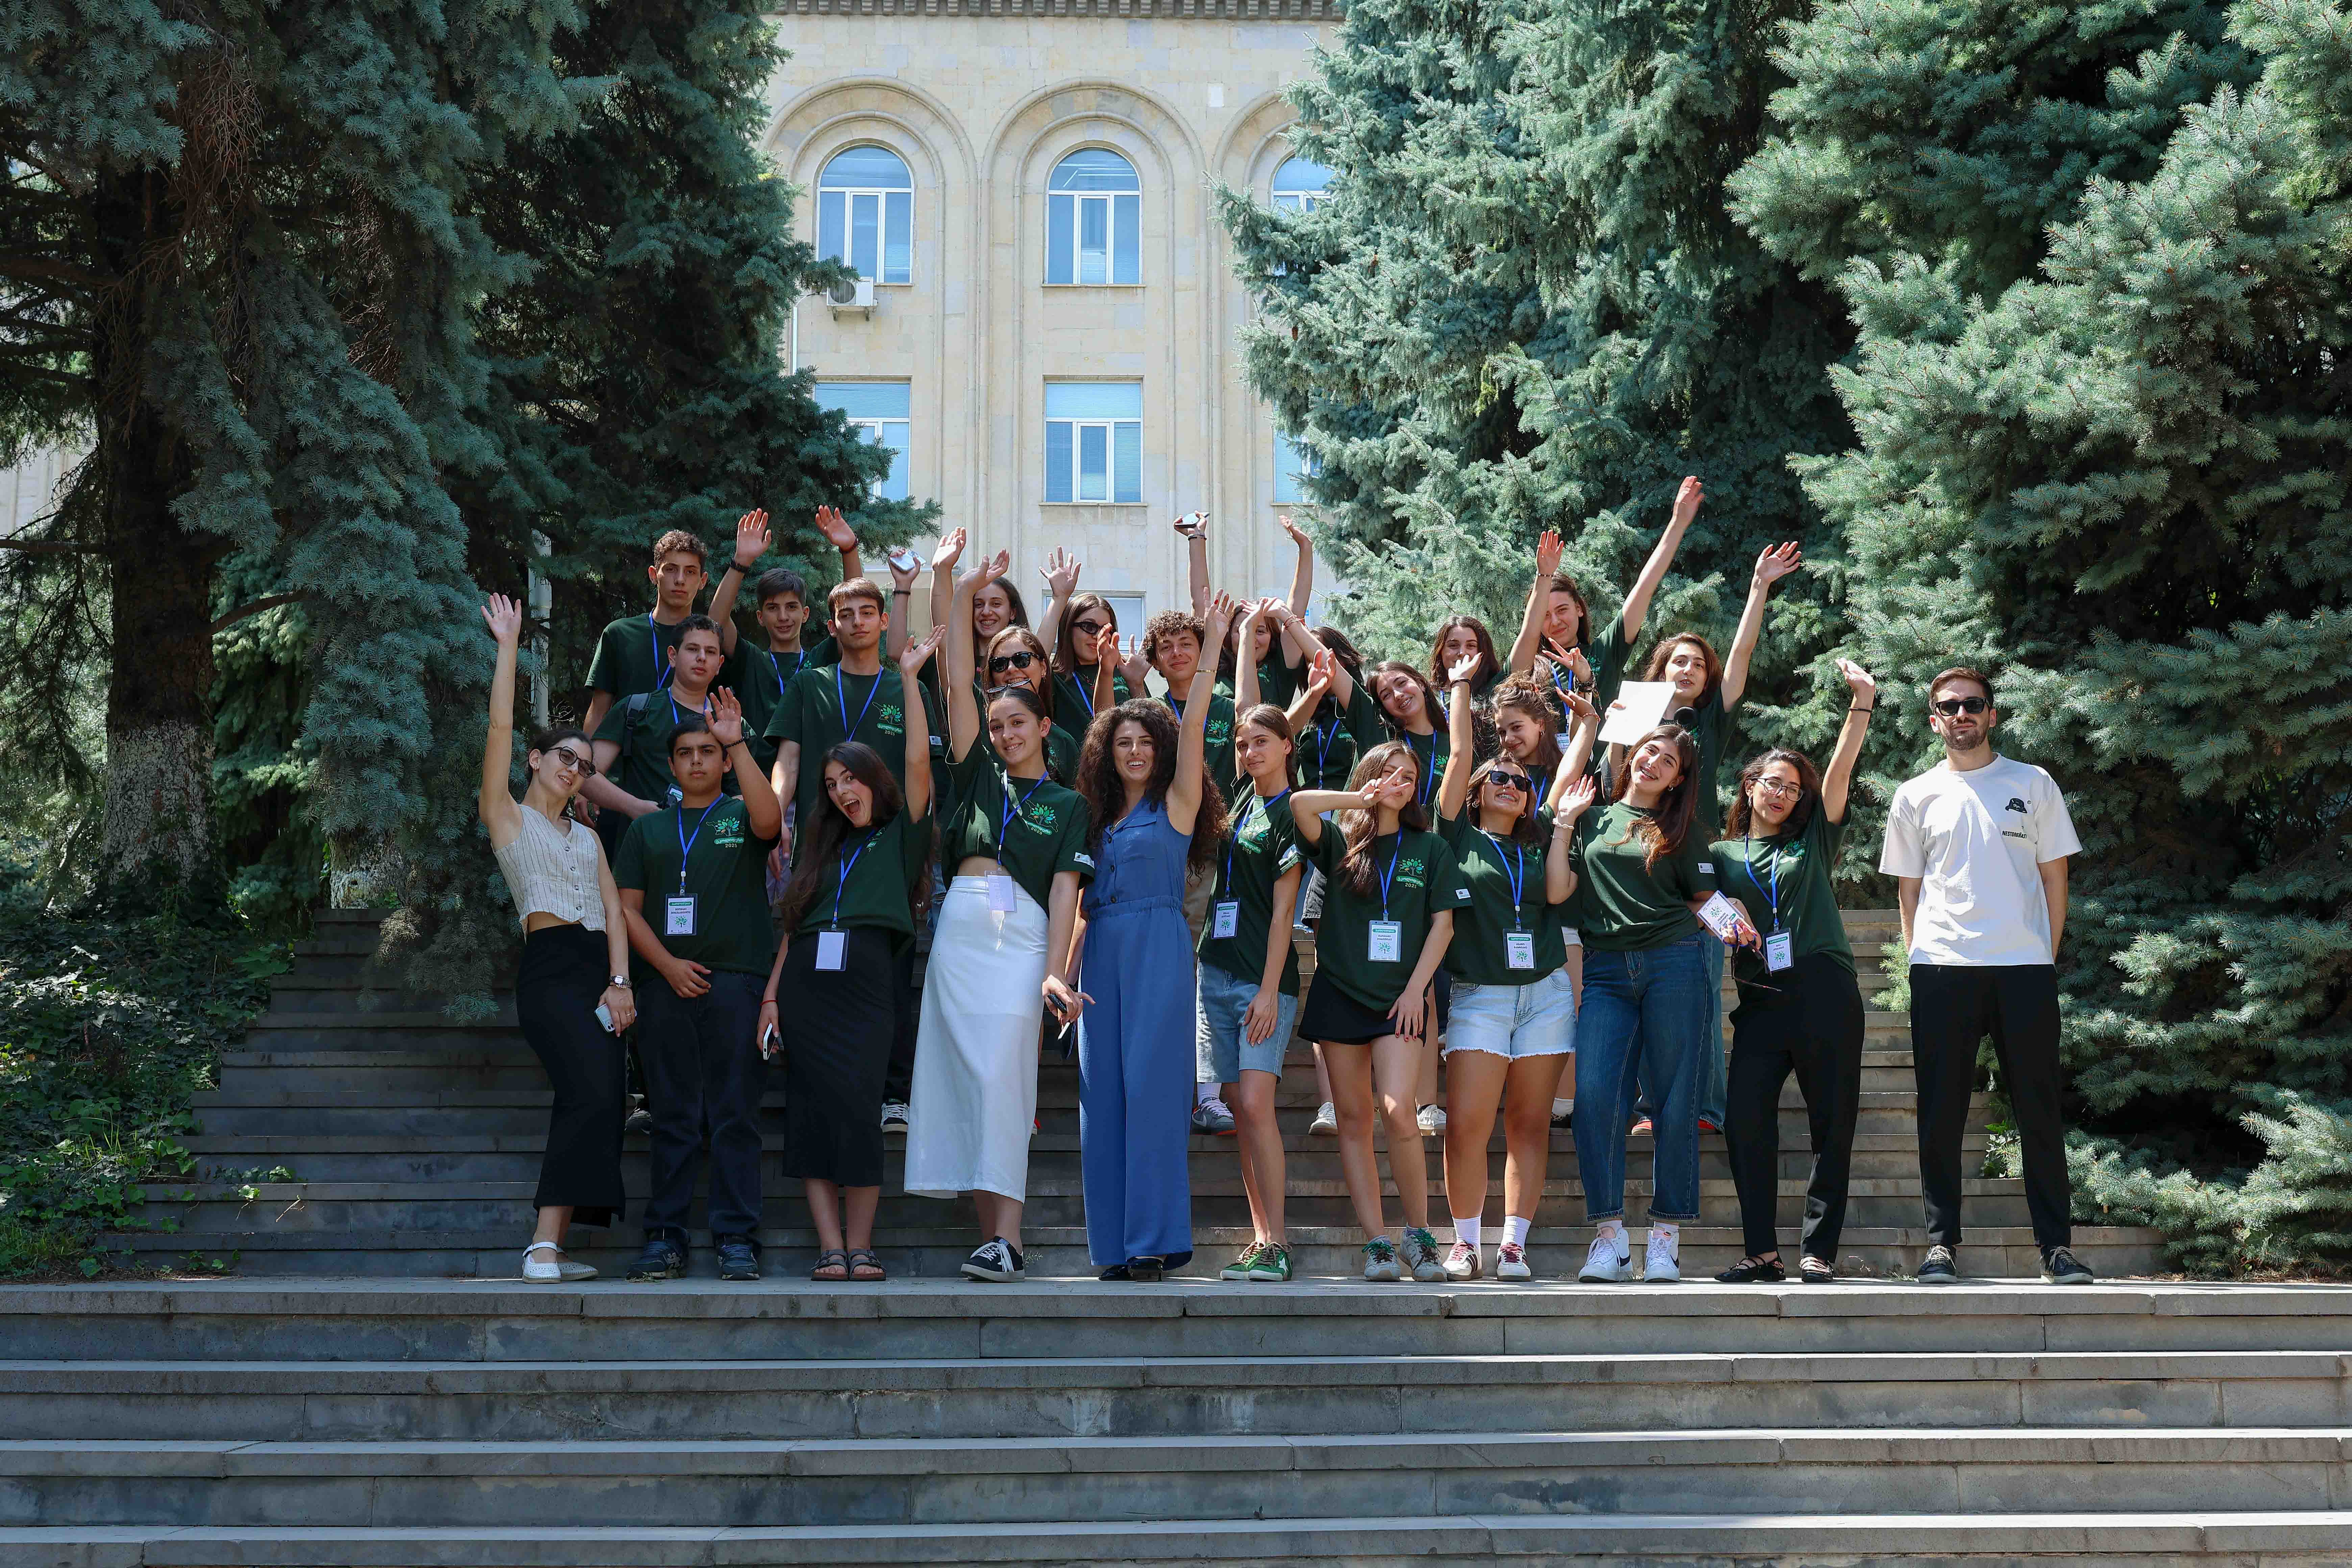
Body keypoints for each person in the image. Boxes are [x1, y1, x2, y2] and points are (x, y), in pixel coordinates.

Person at [907, 551, 1095, 1284]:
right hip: (960, 929)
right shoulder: (976, 772)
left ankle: (1008, 1239)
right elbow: (957, 677)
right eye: (998, 724)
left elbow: (1066, 892)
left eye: (1019, 723)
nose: (1007, 733)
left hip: (1023, 938)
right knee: (963, 1075)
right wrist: (955, 585)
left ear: (1045, 725)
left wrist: (1055, 971)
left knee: (1005, 1080)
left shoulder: (1068, 804)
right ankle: (993, 1241)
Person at [1880, 666, 2090, 1286]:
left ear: (1992, 715)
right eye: (1950, 707)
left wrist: (2044, 954)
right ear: (1934, 720)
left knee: (2039, 1111)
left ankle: (2056, 1249)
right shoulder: (1915, 794)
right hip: (1943, 969)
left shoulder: (2033, 782)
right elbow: (1908, 889)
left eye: (1973, 704)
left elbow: (2055, 877)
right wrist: (1920, 957)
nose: (1962, 714)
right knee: (1940, 1114)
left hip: (2024, 969)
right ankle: (1941, 1245)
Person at [758, 630, 944, 1283]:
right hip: (807, 983)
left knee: (860, 1112)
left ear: (873, 780)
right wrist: (772, 997)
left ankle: (861, 1246)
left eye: (851, 780)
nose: (841, 792)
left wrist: (912, 681)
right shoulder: (822, 848)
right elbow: (794, 928)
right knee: (809, 1112)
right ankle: (830, 1247)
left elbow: (918, 762)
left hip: (868, 979)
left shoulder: (902, 834)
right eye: (833, 783)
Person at [1070, 595, 1234, 1280]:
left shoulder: (1178, 804)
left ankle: (1151, 1242)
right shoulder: (1095, 817)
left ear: (1160, 750)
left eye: (1145, 741)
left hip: (1160, 949)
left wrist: (1215, 641)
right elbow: (1078, 902)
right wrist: (1064, 973)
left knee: (1153, 1094)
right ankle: (1112, 1248)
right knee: (1102, 1100)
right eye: (1123, 743)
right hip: (1099, 954)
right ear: (1107, 754)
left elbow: (1193, 727)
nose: (1135, 750)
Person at [477, 595, 634, 1283]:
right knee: (585, 1094)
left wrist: (621, 984)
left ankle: (555, 1247)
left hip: (599, 970)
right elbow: (500, 727)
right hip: (549, 969)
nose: (574, 769)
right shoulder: (507, 816)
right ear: (537, 760)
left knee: (604, 1099)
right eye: (564, 757)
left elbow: (616, 913)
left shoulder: (590, 838)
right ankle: (541, 1246)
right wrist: (508, 647)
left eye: (585, 766)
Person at [1432, 653, 1599, 1281]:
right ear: (1478, 793)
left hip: (1547, 991)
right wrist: (1459, 686)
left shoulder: (1539, 838)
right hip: (1481, 995)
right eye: (1498, 779)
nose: (1511, 785)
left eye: (1520, 783)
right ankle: (1464, 1244)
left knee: (1530, 1123)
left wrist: (1587, 723)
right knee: (1467, 1127)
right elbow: (1457, 757)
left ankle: (1512, 1247)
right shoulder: (1456, 838)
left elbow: (1569, 775)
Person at [1566, 723, 1752, 1285]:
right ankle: (1610, 1240)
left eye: (1669, 761)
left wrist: (1733, 925)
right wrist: (1590, 724)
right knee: (1595, 1099)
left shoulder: (1681, 829)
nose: (1654, 762)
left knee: (1675, 1103)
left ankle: (1666, 1239)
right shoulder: (1591, 816)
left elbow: (1701, 899)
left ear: (1677, 780)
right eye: (1650, 751)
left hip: (1676, 964)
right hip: (1605, 971)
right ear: (1632, 754)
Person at [1710, 659, 1876, 1285]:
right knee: (1746, 1120)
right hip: (1760, 996)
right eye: (1772, 783)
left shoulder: (1813, 842)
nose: (1782, 794)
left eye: (1792, 789)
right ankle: (1762, 1251)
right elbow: (1697, 901)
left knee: (1833, 1122)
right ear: (1750, 786)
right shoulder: (1720, 854)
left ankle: (1817, 1250)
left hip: (1824, 987)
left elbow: (1840, 773)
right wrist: (1726, 917)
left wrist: (1861, 704)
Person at [612, 697, 784, 1282]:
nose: (696, 761)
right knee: (673, 1115)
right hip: (665, 985)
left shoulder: (740, 813)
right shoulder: (649, 829)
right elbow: (627, 911)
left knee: (735, 1115)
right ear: (670, 765)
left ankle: (737, 1238)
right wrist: (666, 966)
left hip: (736, 982)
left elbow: (771, 822)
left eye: (707, 752)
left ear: (724, 761)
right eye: (685, 753)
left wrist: (737, 741)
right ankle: (665, 1237)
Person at [1290, 741, 1467, 1282]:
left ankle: (1419, 1236)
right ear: (1370, 776)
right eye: (1389, 773)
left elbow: (1444, 926)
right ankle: (1377, 1243)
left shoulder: (1430, 847)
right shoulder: (1340, 842)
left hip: (1400, 1000)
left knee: (1398, 1113)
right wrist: (1357, 799)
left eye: (1409, 776)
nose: (1399, 783)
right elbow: (1299, 804)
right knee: (1353, 1120)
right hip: (1340, 993)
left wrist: (1417, 992)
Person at [1197, 700, 1307, 1282]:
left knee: (1258, 1106)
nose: (1249, 751)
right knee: (1240, 1108)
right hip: (1214, 970)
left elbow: (1286, 913)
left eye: (1262, 741)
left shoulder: (1292, 810)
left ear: (1287, 745)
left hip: (1262, 983)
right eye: (1243, 743)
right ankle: (1260, 1239)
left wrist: (1268, 991)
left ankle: (1280, 1244)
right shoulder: (1241, 799)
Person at [583, 508, 860, 735]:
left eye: (792, 608)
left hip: (804, 777)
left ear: (806, 613)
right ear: (760, 617)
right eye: (773, 608)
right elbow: (717, 621)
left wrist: (849, 550)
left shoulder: (820, 658)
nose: (784, 617)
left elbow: (854, 609)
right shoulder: (751, 660)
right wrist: (741, 562)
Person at [582, 613, 731, 859]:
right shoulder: (636, 709)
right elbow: (585, 773)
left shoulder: (728, 723)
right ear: (672, 656)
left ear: (720, 664)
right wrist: (634, 807)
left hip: (707, 856)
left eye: (711, 652)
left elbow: (743, 795)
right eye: (693, 649)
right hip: (641, 852)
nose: (702, 657)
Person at [1040, 559, 1131, 726]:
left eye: (1106, 630)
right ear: (1068, 629)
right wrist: (1059, 599)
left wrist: (1137, 683)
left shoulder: (1125, 672)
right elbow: (1034, 657)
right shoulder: (1054, 679)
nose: (1098, 636)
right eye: (1089, 627)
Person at [1426, 614, 1503, 709]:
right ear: (1440, 651)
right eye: (1454, 645)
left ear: (1483, 651)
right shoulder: (1427, 696)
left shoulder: (1496, 687)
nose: (1462, 653)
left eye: (1471, 646)